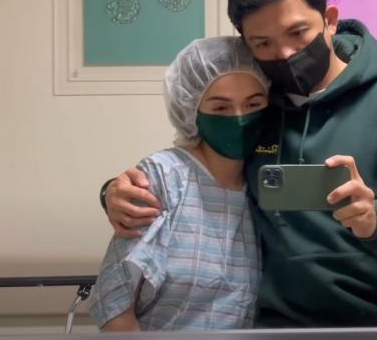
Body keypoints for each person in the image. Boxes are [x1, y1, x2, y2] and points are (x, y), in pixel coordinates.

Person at [103, 0, 377, 327]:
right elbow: (197, 170)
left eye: (297, 32)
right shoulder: (256, 107)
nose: (286, 54)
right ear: (246, 44)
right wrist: (115, 193)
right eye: (263, 43)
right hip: (278, 327)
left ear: (329, 21)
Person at [90, 37, 267, 331]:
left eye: (253, 104)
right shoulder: (165, 177)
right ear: (191, 110)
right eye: (220, 108)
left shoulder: (265, 186)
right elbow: (114, 305)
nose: (239, 118)